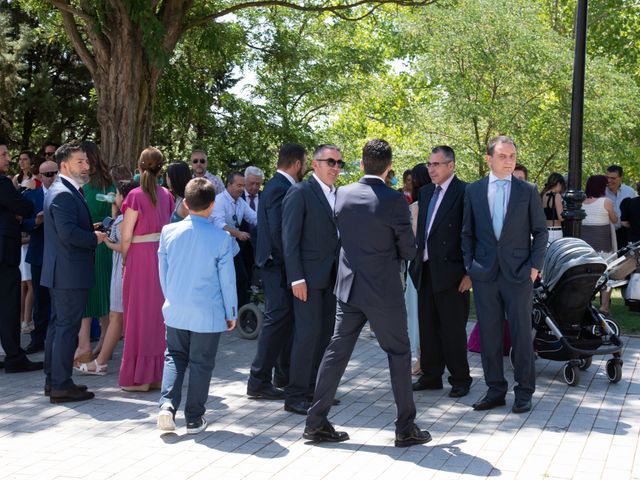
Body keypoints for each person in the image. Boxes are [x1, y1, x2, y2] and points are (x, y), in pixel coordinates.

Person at [304, 139, 431, 448]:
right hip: (384, 292)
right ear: (389, 167)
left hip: (348, 287)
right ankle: (405, 427)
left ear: (361, 164)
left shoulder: (342, 195)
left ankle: (316, 422)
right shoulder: (394, 200)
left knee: (337, 351)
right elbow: (409, 251)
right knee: (399, 354)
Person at [461, 135, 547, 415]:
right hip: (485, 275)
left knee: (522, 335)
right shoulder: (473, 191)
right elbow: (467, 233)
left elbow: (541, 231)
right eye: (502, 156)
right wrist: (470, 267)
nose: (509, 161)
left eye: (512, 156)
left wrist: (534, 268)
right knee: (489, 335)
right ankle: (495, 389)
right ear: (489, 159)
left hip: (519, 274)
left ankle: (524, 391)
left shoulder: (527, 190)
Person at [157, 178, 237, 434]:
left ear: (185, 202)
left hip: (177, 307)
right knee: (202, 363)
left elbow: (164, 273)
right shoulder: (221, 238)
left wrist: (171, 299)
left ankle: (167, 406)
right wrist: (231, 312)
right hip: (208, 311)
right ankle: (193, 418)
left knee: (174, 357)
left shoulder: (168, 232)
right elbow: (227, 280)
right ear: (212, 205)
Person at [42, 142, 107, 402]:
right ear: (65, 165)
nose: (87, 165)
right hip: (68, 273)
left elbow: (65, 228)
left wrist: (89, 227)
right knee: (65, 329)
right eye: (80, 161)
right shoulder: (63, 193)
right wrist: (96, 237)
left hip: (64, 271)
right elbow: (69, 235)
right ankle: (60, 385)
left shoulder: (66, 190)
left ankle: (55, 381)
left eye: (87, 161)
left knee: (59, 328)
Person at [281, 144, 342, 415]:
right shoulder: (300, 192)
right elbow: (289, 239)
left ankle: (315, 392)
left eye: (340, 163)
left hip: (332, 279)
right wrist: (296, 278)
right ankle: (295, 395)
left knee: (325, 337)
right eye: (330, 161)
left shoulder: (337, 194)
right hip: (306, 279)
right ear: (315, 164)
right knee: (306, 336)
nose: (336, 167)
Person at [410, 146, 472, 398]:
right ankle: (431, 375)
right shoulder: (425, 193)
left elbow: (471, 234)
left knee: (453, 329)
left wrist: (469, 273)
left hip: (454, 273)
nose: (431, 169)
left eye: (436, 164)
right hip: (425, 269)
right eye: (429, 164)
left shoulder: (465, 192)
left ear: (451, 165)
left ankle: (460, 378)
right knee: (427, 326)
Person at [247, 144, 307, 400]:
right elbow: (278, 231)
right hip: (276, 266)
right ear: (297, 164)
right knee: (276, 321)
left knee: (285, 322)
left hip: (279, 265)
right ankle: (258, 380)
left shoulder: (276, 187)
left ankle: (282, 376)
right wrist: (293, 265)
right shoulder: (279, 189)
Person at [119, 147, 174, 391]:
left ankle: (138, 378)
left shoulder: (134, 196)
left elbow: (127, 237)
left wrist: (123, 260)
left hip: (139, 258)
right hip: (160, 257)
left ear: (139, 166)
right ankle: (157, 375)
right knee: (156, 316)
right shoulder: (167, 195)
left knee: (137, 315)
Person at [75, 179, 139, 375]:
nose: (115, 197)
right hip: (127, 267)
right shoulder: (127, 216)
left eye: (118, 194)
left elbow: (121, 243)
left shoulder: (124, 219)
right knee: (121, 316)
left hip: (122, 266)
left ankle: (101, 361)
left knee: (116, 315)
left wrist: (107, 243)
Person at [0, 142, 42, 373]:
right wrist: (18, 208)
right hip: (5, 254)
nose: (9, 158)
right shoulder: (4, 183)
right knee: (8, 306)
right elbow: (24, 206)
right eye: (4, 155)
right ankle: (14, 357)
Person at [75, 141, 116, 364]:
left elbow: (113, 215)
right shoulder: (96, 184)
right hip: (94, 244)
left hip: (97, 245)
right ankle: (95, 346)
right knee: (98, 297)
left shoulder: (98, 184)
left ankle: (90, 347)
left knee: (96, 296)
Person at [21, 160, 59, 354]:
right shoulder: (31, 196)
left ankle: (61, 339)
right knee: (40, 299)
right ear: (40, 176)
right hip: (39, 254)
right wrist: (36, 221)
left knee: (60, 298)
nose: (52, 177)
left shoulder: (67, 194)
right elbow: (22, 223)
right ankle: (38, 339)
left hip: (61, 255)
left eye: (55, 173)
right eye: (48, 174)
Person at [211, 172, 257, 309]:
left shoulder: (240, 202)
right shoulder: (219, 201)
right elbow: (219, 225)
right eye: (238, 185)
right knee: (222, 283)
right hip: (218, 250)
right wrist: (238, 234)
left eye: (243, 186)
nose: (241, 189)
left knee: (242, 279)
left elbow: (254, 218)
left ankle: (241, 312)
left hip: (233, 249)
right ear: (229, 185)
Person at [404, 163, 430, 375]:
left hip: (416, 267)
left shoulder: (416, 207)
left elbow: (411, 242)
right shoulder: (436, 204)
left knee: (417, 315)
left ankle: (421, 360)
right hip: (433, 268)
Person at [582, 175, 618, 314]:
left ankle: (586, 303)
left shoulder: (581, 202)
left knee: (587, 275)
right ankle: (604, 306)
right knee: (606, 273)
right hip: (603, 244)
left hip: (586, 245)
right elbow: (614, 220)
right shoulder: (606, 201)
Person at [239, 166, 264, 284]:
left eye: (258, 184)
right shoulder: (237, 197)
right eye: (252, 183)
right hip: (241, 244)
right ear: (245, 181)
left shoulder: (265, 197)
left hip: (260, 244)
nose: (255, 187)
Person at [605, 165, 636, 248]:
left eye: (613, 178)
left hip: (625, 234)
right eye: (607, 177)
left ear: (620, 178)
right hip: (607, 233)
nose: (609, 180)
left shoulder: (630, 192)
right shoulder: (602, 192)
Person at [540, 173, 566, 244]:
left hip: (545, 230)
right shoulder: (557, 196)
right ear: (558, 183)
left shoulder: (543, 194)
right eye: (562, 185)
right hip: (556, 231)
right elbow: (561, 217)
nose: (561, 189)